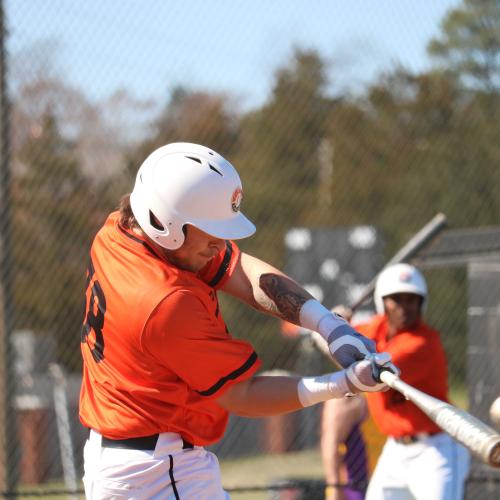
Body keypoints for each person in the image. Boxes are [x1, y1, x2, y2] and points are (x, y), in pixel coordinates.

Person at [78, 142, 398, 500]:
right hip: (154, 473)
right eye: (212, 232)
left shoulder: (120, 231)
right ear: (166, 222)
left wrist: (327, 325)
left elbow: (244, 273)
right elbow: (243, 394)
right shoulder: (165, 303)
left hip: (136, 458)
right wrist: (342, 383)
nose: (221, 244)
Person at [353, 263, 470, 500]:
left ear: (421, 303)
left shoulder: (423, 344)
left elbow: (369, 367)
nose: (404, 307)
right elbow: (350, 339)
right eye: (396, 299)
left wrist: (340, 331)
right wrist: (337, 322)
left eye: (411, 299)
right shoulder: (376, 328)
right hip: (395, 450)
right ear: (382, 302)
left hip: (435, 451)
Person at [321, 395, 369, 500]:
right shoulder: (346, 395)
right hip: (354, 489)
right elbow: (331, 444)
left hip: (382, 483)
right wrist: (335, 488)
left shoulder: (382, 391)